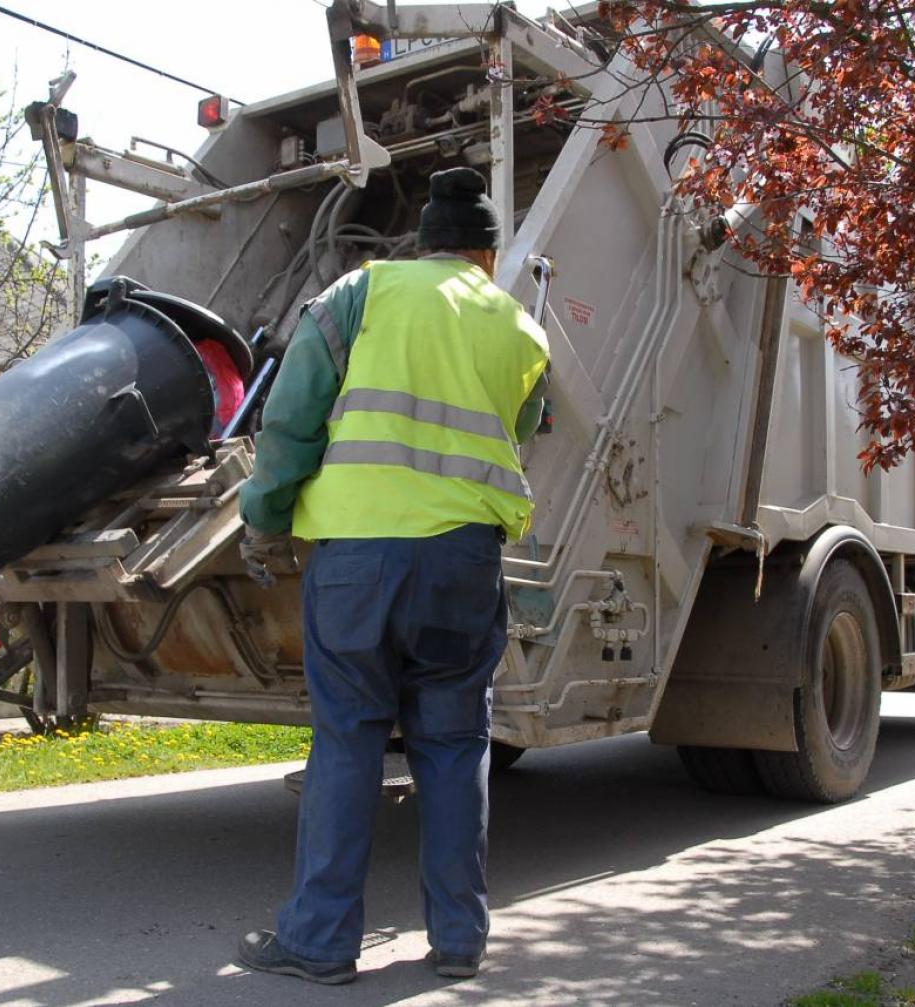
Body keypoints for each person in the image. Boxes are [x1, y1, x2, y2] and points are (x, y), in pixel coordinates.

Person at [234, 167, 550, 985]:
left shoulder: (358, 293)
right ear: (485, 252)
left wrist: (265, 514)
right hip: (463, 560)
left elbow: (293, 415)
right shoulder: (518, 324)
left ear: (422, 242)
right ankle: (458, 939)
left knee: (349, 741)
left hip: (358, 560)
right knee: (455, 743)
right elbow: (528, 424)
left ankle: (320, 942)